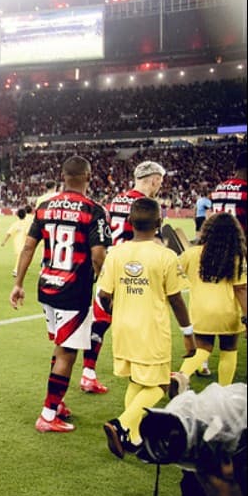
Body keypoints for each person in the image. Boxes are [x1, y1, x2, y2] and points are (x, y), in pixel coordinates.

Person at [10, 156, 110, 433]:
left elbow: (28, 247)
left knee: (61, 346)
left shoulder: (44, 207)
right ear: (88, 176)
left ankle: (59, 401)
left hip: (47, 288)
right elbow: (99, 255)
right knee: (68, 352)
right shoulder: (93, 210)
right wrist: (98, 281)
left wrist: (18, 284)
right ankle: (48, 413)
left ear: (63, 176)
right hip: (73, 291)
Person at [98, 198, 192, 458]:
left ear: (130, 222)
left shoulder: (116, 252)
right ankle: (121, 424)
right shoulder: (165, 256)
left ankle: (133, 438)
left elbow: (104, 294)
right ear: (159, 223)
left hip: (123, 328)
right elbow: (176, 299)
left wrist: (117, 309)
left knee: (137, 381)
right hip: (150, 329)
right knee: (160, 385)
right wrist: (188, 332)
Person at [86, 160, 169, 393]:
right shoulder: (148, 205)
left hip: (110, 266)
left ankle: (88, 372)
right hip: (136, 269)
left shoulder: (116, 201)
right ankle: (141, 369)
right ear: (153, 179)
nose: (160, 185)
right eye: (160, 181)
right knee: (142, 320)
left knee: (100, 322)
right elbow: (157, 243)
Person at [174, 212, 247, 387]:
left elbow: (173, 273)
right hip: (228, 313)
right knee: (228, 350)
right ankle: (223, 391)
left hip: (200, 312)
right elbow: (241, 289)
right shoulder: (236, 257)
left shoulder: (191, 254)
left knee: (202, 349)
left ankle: (181, 376)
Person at [210, 150, 247, 232]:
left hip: (217, 241)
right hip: (239, 242)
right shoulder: (245, 189)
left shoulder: (218, 188)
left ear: (235, 168)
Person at [2, 207, 32, 277]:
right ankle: (16, 270)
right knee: (21, 256)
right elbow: (28, 233)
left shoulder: (15, 223)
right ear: (25, 215)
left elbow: (9, 233)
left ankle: (22, 267)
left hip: (16, 243)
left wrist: (4, 241)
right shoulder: (27, 224)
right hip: (24, 242)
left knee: (21, 255)